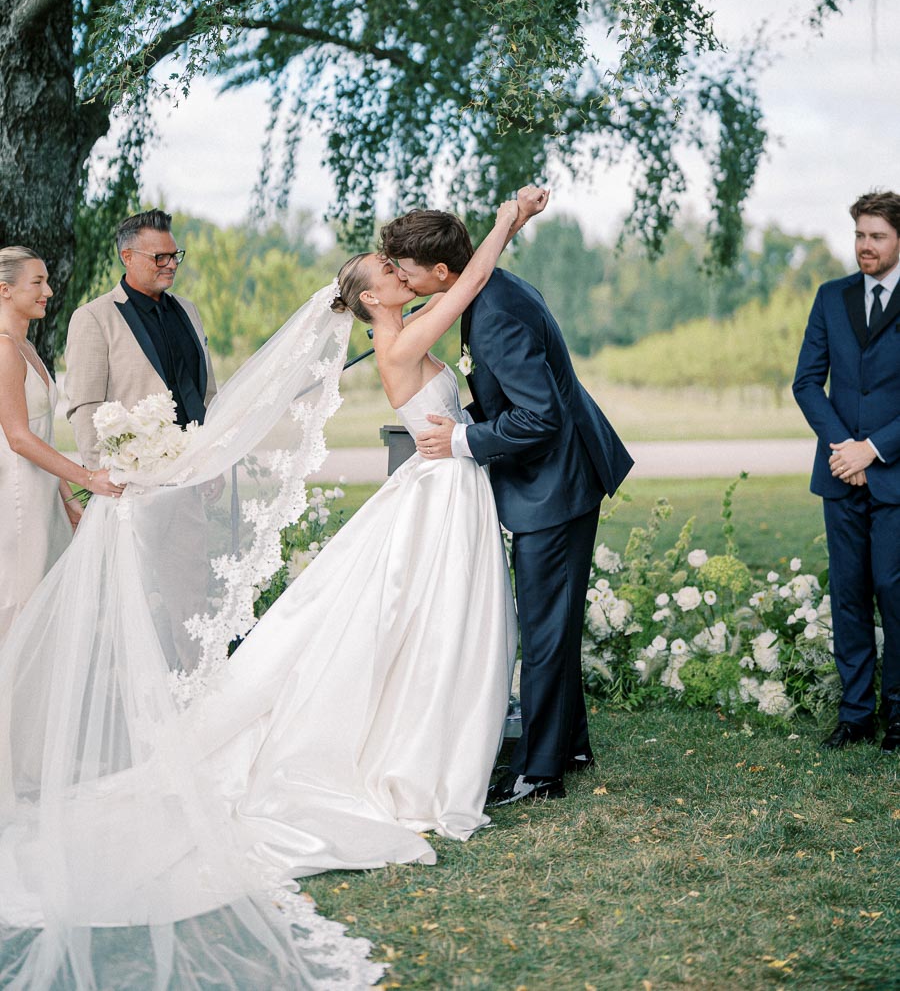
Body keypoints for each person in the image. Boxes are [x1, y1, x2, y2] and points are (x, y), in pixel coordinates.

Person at [0, 190, 545, 989]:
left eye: (398, 268)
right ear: (369, 300)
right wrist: (506, 222)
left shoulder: (396, 332)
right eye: (384, 273)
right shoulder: (400, 340)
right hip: (437, 495)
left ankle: (428, 736)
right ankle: (416, 756)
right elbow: (462, 289)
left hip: (444, 494)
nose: (398, 274)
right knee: (416, 622)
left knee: (424, 623)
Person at [381, 204, 634, 805]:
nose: (403, 281)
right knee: (555, 619)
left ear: (443, 271)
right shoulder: (489, 287)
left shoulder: (495, 316)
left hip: (556, 483)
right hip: (555, 474)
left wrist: (463, 439)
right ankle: (567, 744)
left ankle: (539, 771)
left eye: (408, 272)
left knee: (545, 628)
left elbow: (540, 417)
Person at [793, 190, 900, 754]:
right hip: (840, 472)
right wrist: (845, 450)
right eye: (860, 234)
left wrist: (874, 449)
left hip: (895, 475)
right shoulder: (830, 298)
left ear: (898, 240)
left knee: (894, 590)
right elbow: (806, 381)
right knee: (850, 595)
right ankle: (856, 714)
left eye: (877, 236)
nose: (865, 246)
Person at [0, 246, 122, 638]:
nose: (48, 291)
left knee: (38, 615)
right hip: (14, 502)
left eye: (46, 281)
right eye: (37, 282)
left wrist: (67, 497)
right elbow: (18, 438)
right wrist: (88, 479)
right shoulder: (3, 350)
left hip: (42, 499)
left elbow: (42, 436)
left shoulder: (27, 349)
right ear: (4, 290)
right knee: (18, 611)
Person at [65, 208, 216, 467]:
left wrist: (213, 463)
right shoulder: (93, 317)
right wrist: (104, 475)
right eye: (160, 257)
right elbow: (86, 408)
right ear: (128, 257)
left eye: (175, 255)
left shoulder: (189, 309)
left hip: (195, 472)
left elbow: (208, 393)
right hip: (132, 480)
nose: (171, 264)